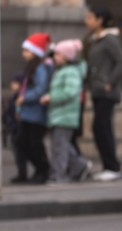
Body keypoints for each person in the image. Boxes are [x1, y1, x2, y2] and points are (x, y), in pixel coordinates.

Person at [85, 6, 122, 182]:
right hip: (97, 91)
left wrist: (109, 82)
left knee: (102, 127)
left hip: (106, 92)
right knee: (101, 128)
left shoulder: (110, 40)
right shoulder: (96, 40)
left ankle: (112, 166)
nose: (87, 22)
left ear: (100, 21)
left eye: (90, 18)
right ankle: (108, 166)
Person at [40, 39, 92, 183]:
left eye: (57, 54)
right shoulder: (63, 71)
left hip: (65, 115)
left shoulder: (71, 72)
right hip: (59, 115)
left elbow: (69, 93)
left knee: (60, 148)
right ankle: (80, 166)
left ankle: (59, 175)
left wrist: (51, 98)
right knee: (62, 146)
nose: (54, 57)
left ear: (66, 56)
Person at [15, 32, 53, 184]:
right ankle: (40, 170)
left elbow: (40, 88)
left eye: (27, 50)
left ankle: (43, 170)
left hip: (36, 113)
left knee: (33, 144)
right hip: (28, 113)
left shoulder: (40, 68)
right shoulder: (32, 68)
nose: (24, 54)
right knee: (23, 142)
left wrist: (25, 98)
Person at [3, 73, 25, 182]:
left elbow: (17, 113)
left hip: (18, 127)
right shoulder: (13, 96)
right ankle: (21, 173)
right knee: (17, 152)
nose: (12, 85)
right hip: (13, 126)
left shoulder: (19, 97)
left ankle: (22, 174)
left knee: (20, 152)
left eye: (15, 83)